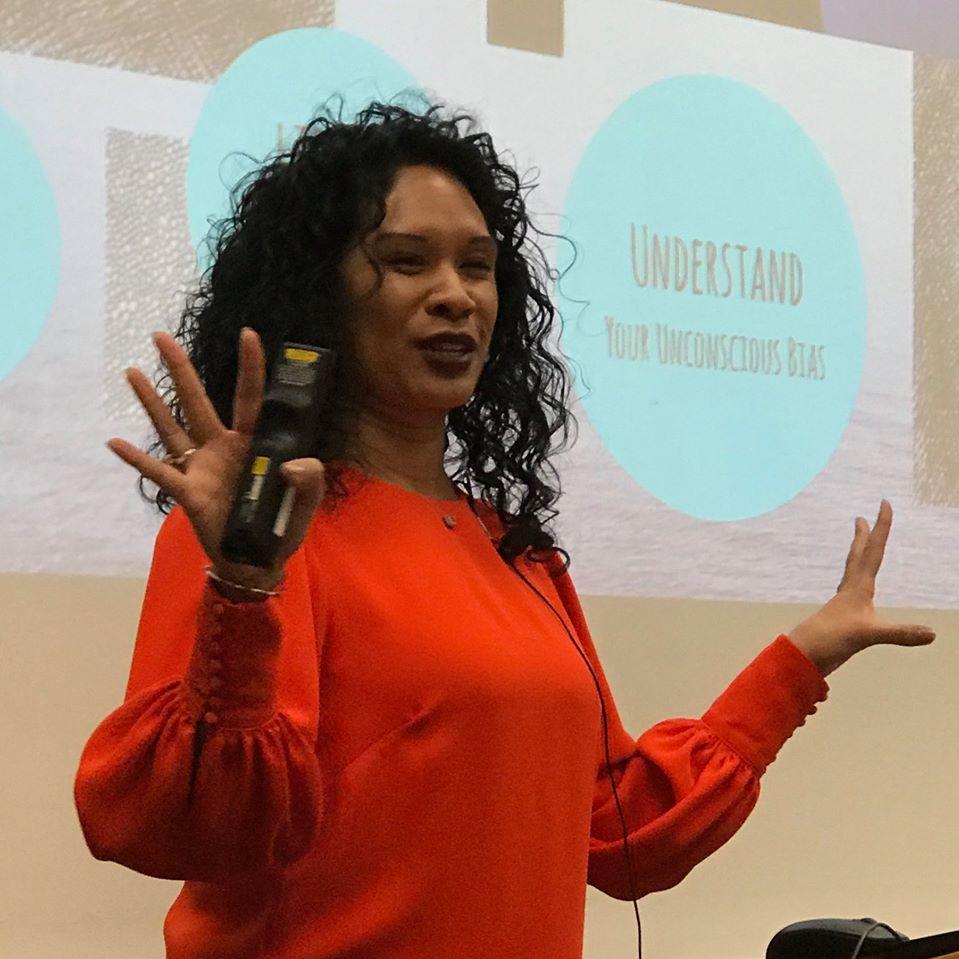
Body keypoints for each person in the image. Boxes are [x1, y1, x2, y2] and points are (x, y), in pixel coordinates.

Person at [74, 101, 935, 959]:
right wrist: (244, 587)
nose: (455, 295)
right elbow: (194, 831)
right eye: (406, 262)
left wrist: (802, 658)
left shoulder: (511, 552)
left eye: (478, 267)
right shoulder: (262, 533)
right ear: (318, 295)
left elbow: (622, 830)